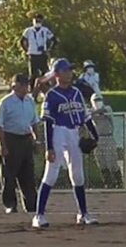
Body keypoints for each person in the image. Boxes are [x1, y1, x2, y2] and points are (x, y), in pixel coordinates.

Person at [32, 59, 99, 228]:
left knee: (78, 175)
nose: (69, 73)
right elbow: (48, 121)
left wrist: (95, 135)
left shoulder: (76, 92)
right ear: (57, 74)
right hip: (58, 132)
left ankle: (83, 213)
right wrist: (49, 147)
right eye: (66, 70)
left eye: (70, 70)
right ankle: (39, 216)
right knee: (51, 173)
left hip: (74, 132)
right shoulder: (52, 95)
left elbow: (85, 116)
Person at [0, 74, 41, 214]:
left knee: (28, 175)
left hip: (25, 139)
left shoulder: (30, 101)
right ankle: (10, 204)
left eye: (27, 84)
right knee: (8, 175)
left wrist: (36, 140)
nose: (26, 87)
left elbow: (34, 123)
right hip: (10, 139)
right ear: (15, 86)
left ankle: (31, 205)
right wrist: (3, 145)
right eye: (23, 84)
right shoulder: (6, 102)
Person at [89, 93, 123, 188]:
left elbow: (105, 112)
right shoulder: (91, 111)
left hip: (108, 137)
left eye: (99, 100)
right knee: (101, 162)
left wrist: (97, 112)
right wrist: (93, 112)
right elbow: (87, 116)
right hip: (97, 139)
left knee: (111, 162)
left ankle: (119, 182)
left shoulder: (107, 108)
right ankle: (108, 182)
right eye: (95, 100)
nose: (98, 102)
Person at [21, 13, 57, 90]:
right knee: (33, 74)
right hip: (32, 54)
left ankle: (46, 89)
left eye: (39, 21)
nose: (37, 22)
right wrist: (26, 50)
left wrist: (49, 49)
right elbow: (22, 41)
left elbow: (54, 40)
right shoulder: (28, 31)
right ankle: (32, 90)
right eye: (36, 20)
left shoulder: (45, 30)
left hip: (42, 54)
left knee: (45, 73)